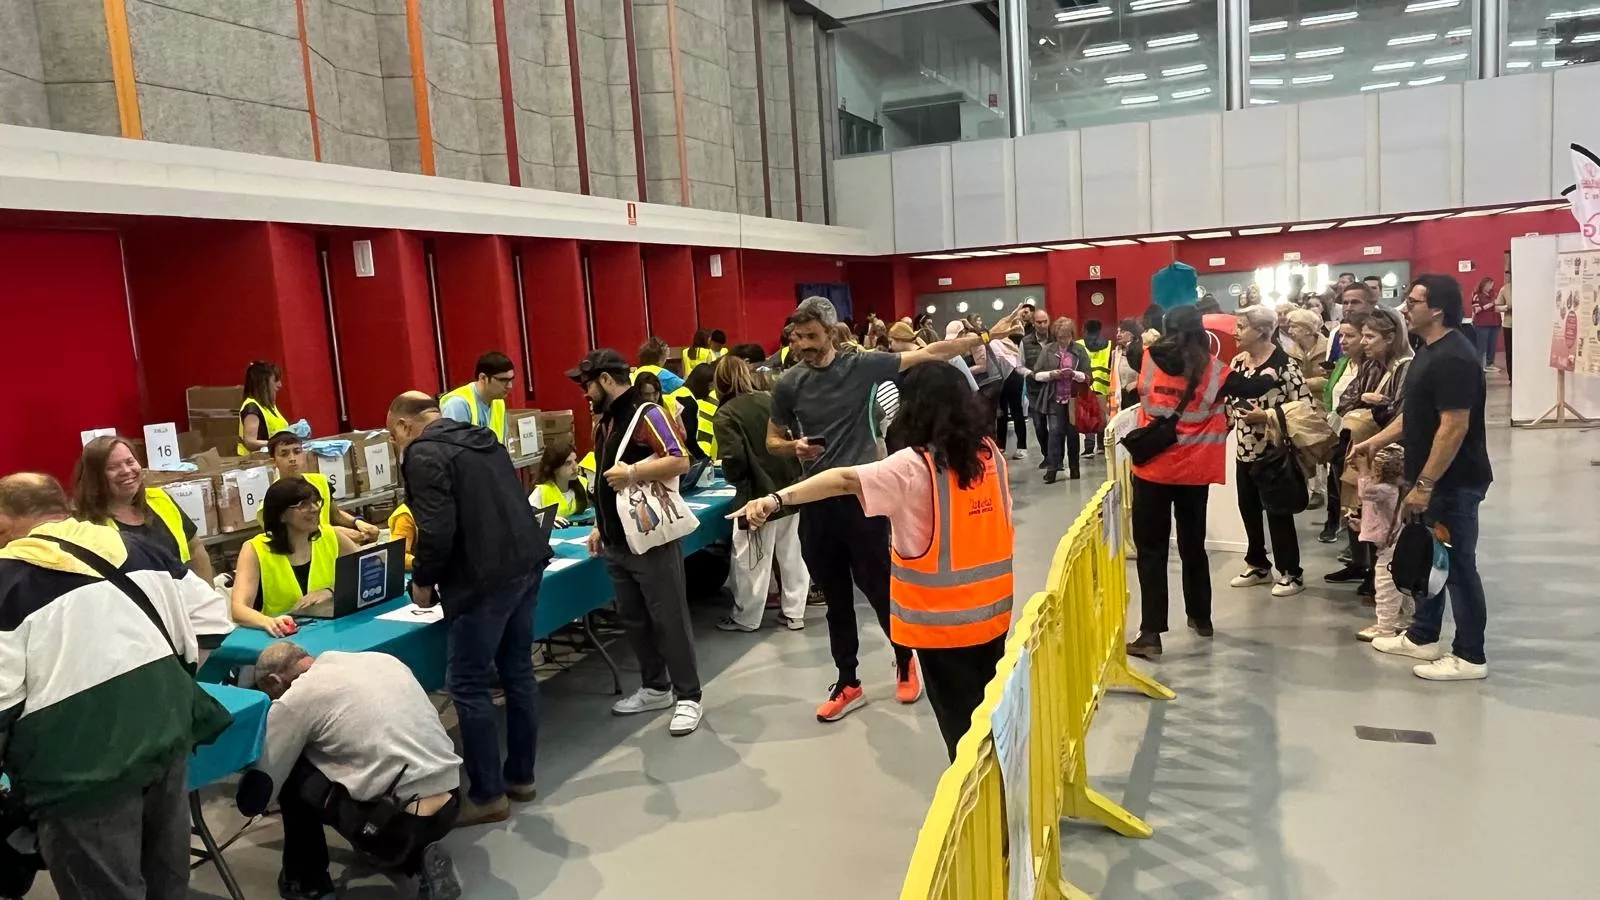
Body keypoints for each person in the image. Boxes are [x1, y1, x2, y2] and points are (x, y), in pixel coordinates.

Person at [735, 361, 1012, 759]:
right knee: (992, 715)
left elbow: (843, 479)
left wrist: (776, 499)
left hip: (943, 626)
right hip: (993, 614)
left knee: (963, 733)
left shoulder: (914, 466)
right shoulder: (990, 455)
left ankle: (980, 796)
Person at [0, 473, 229, 900]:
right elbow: (213, 619)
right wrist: (166, 682)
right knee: (167, 882)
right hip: (166, 739)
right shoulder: (140, 548)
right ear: (63, 508)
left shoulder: (8, 580)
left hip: (78, 773)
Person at [767, 296, 983, 721]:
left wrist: (987, 336)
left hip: (864, 499)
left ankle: (904, 660)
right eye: (796, 338)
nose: (803, 345)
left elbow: (931, 352)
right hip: (818, 502)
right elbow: (772, 439)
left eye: (811, 336)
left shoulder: (862, 366)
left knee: (880, 589)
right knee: (835, 600)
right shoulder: (789, 384)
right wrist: (792, 447)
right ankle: (848, 681)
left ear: (830, 333)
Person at [388, 391, 552, 823]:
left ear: (404, 425)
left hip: (482, 579)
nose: (396, 445)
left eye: (393, 436)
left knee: (466, 682)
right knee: (518, 671)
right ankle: (521, 778)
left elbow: (436, 529)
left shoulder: (423, 453)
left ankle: (487, 794)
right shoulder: (482, 438)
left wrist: (423, 581)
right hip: (526, 562)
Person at [1354, 275, 1493, 681]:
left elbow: (1454, 426)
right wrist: (1375, 441)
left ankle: (1470, 656)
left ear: (1437, 309)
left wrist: (1426, 484)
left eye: (1413, 301)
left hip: (1453, 482)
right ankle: (1422, 636)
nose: (1405, 307)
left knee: (1458, 567)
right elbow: (1414, 415)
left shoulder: (1454, 358)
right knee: (1430, 561)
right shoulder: (1428, 351)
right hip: (1430, 480)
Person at [245, 644, 462, 900]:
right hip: (451, 798)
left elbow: (256, 797)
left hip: (395, 821)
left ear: (275, 681)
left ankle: (307, 882)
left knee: (292, 771)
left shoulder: (296, 698)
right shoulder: (381, 660)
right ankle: (417, 856)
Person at [1125, 306, 1279, 659]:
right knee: (1193, 544)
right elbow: (1255, 386)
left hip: (1152, 470)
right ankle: (1201, 617)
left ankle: (1151, 634)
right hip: (1194, 473)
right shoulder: (1215, 371)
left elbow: (1135, 352)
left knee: (1152, 551)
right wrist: (1271, 370)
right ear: (1201, 331)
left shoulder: (1145, 357)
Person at [570, 349, 703, 735]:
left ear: (605, 380)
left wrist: (631, 473)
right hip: (616, 542)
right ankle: (656, 687)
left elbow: (680, 460)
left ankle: (689, 696)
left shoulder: (649, 414)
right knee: (634, 620)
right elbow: (603, 482)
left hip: (651, 541)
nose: (584, 393)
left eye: (587, 384)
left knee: (669, 619)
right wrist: (600, 524)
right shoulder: (604, 422)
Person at [712, 355, 810, 632]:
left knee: (750, 558)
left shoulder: (726, 413)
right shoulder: (770, 399)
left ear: (720, 382)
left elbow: (734, 457)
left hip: (754, 494)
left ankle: (746, 617)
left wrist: (734, 479)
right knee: (792, 553)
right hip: (790, 488)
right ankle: (795, 613)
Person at [1226, 305, 1315, 598]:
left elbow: (1304, 409)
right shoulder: (1238, 362)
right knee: (1248, 509)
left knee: (1278, 513)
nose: (1235, 332)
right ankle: (1257, 564)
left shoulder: (1285, 365)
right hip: (1244, 450)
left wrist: (1266, 416)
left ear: (1262, 330)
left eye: (1242, 327)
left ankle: (1291, 572)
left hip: (1275, 453)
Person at [1326, 307, 1412, 598]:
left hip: (1389, 456)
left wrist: (1374, 408)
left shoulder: (1405, 367)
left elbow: (1401, 416)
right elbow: (1344, 402)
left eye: (1369, 336)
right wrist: (1366, 399)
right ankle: (1365, 567)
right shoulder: (1371, 366)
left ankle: (1386, 580)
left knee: (1386, 519)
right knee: (1358, 508)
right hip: (1362, 450)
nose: (1363, 342)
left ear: (1390, 337)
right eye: (1362, 335)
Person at [73, 435, 216, 584]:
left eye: (130, 462)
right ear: (94, 477)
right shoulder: (87, 525)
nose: (126, 470)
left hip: (183, 595)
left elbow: (195, 549)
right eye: (112, 467)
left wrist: (208, 594)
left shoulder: (160, 499)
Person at [229, 477, 360, 635]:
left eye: (315, 502)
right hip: (281, 636)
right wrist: (269, 622)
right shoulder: (254, 549)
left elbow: (367, 570)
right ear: (281, 515)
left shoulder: (332, 536)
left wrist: (330, 591)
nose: (314, 509)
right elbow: (238, 609)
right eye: (303, 504)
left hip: (331, 630)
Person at [266, 431, 381, 543]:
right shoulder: (273, 499)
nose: (292, 458)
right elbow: (286, 538)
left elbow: (336, 514)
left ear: (304, 455)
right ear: (273, 462)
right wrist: (335, 532)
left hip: (329, 545)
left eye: (297, 452)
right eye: (284, 454)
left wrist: (358, 522)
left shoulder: (320, 481)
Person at [1350, 446, 1412, 642]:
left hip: (1390, 547)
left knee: (1385, 587)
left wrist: (1363, 470)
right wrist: (1363, 525)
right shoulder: (1395, 489)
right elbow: (1382, 515)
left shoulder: (1385, 490)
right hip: (1397, 541)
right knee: (1402, 586)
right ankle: (1409, 619)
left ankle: (1385, 627)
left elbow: (1365, 493)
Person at [1319, 313, 1369, 544]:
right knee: (1336, 484)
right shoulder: (1342, 363)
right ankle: (1338, 526)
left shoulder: (1371, 367)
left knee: (1356, 491)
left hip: (1359, 436)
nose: (1343, 341)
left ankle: (1358, 543)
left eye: (1350, 336)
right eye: (1341, 335)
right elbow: (1331, 396)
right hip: (1337, 432)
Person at [1037, 317, 1091, 484]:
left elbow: (1088, 377)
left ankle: (1074, 468)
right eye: (1060, 337)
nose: (1063, 340)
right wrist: (1052, 374)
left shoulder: (1080, 350)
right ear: (1055, 335)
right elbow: (1036, 374)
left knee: (1073, 434)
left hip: (1074, 399)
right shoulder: (1048, 350)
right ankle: (1052, 470)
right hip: (1054, 398)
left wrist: (1074, 374)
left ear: (1072, 335)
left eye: (1067, 337)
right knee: (1054, 433)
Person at [440, 351, 516, 442]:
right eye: (503, 380)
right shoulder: (458, 404)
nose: (509, 386)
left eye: (511, 380)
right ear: (483, 378)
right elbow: (453, 447)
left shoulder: (498, 402)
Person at [989, 321, 1028, 460]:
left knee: (1016, 412)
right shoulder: (994, 342)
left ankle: (1022, 446)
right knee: (1001, 413)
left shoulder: (1002, 342)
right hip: (1001, 379)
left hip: (1013, 377)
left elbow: (1005, 360)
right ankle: (1001, 446)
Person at [531, 436, 591, 524]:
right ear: (554, 468)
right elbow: (526, 515)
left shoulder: (583, 483)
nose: (575, 467)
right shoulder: (542, 491)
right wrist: (548, 518)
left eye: (575, 460)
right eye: (568, 463)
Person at [240, 359, 294, 455]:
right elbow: (249, 442)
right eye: (275, 380)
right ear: (263, 383)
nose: (280, 385)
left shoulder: (269, 407)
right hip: (256, 461)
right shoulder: (252, 407)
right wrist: (277, 443)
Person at [1075, 320, 1112, 457]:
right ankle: (1101, 445)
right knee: (1101, 415)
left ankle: (1089, 447)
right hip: (1103, 385)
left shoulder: (1079, 344)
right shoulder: (1109, 345)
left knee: (1088, 414)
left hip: (1086, 384)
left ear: (1084, 329)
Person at [1284, 308, 1330, 401]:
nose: (1289, 331)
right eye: (1289, 327)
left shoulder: (1329, 348)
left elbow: (1332, 380)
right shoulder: (1290, 352)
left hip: (1327, 400)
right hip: (1302, 401)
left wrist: (1302, 383)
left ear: (1308, 329)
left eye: (1294, 327)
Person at [679, 363, 719, 461]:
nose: (712, 390)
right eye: (711, 386)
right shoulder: (688, 402)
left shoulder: (679, 393)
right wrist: (705, 460)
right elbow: (689, 440)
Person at [1110, 318, 1144, 413]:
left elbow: (1150, 376)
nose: (1118, 335)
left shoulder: (1143, 352)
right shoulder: (1115, 354)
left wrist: (1136, 383)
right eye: (1118, 332)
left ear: (1133, 334)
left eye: (1123, 331)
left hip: (1138, 398)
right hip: (1121, 400)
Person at [1470, 276, 1501, 372]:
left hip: (1494, 323)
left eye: (1492, 285)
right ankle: (1479, 365)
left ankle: (1490, 363)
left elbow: (1496, 306)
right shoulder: (1477, 295)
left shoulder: (1493, 294)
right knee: (1481, 346)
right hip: (1482, 324)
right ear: (1484, 285)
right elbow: (1476, 309)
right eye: (1490, 285)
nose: (1491, 287)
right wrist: (1491, 304)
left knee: (1492, 345)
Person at [1496, 275, 1513, 379]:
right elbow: (1497, 307)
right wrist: (1507, 307)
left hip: (1525, 325)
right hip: (1509, 325)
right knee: (1510, 352)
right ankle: (1511, 377)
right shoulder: (1505, 289)